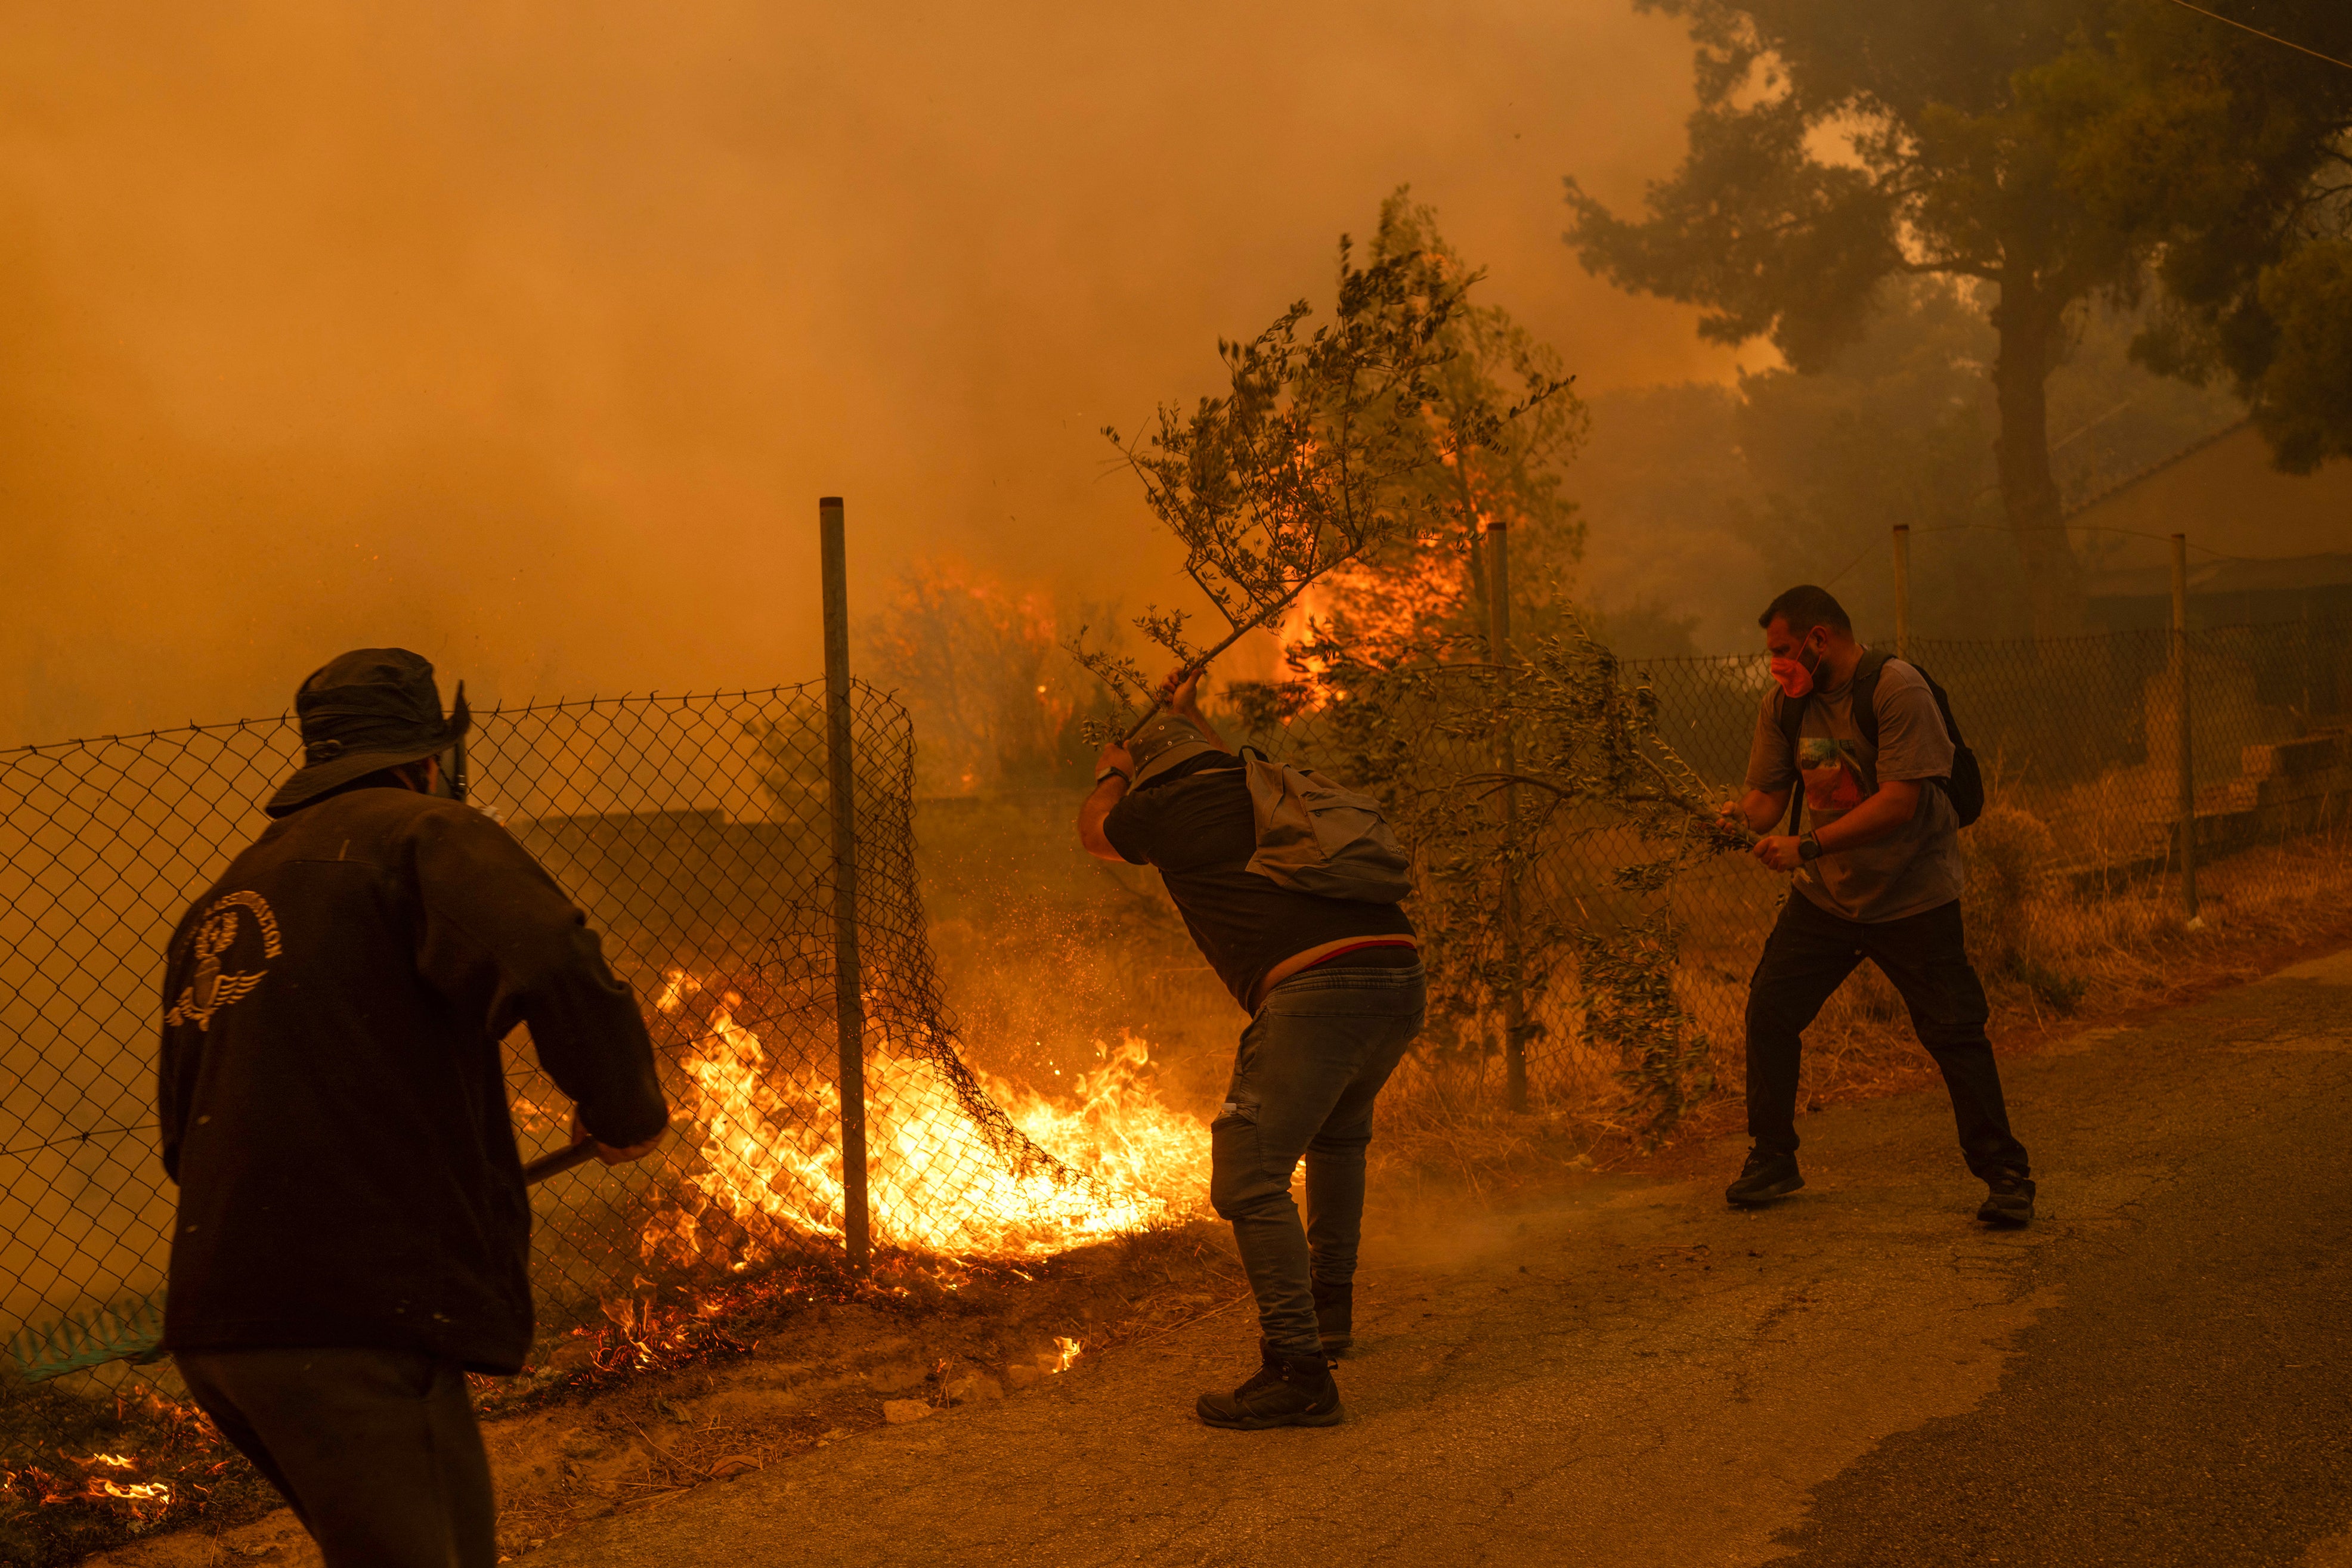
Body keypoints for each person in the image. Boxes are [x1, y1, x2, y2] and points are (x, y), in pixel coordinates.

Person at [157, 648, 670, 1566]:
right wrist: (624, 1109)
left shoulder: (224, 897)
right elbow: (555, 958)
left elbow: (178, 1133)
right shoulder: (424, 834)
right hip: (351, 1326)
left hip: (224, 1325)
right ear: (429, 756)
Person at [1078, 669, 1423, 1430]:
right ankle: (1329, 1315)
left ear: (1152, 776)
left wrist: (1111, 770)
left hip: (1318, 991)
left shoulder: (1160, 806)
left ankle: (1297, 1369)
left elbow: (1096, 834)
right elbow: (1209, 758)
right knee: (1336, 1138)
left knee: (1247, 1170)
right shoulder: (1260, 783)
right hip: (1397, 971)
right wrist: (1189, 715)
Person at [1720, 587, 2033, 1225]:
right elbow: (1765, 799)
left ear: (1818, 639)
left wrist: (1804, 845)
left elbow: (1900, 803)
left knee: (1952, 1033)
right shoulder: (1783, 706)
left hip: (1912, 894)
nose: (1774, 664)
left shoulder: (1896, 690)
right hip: (1827, 898)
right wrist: (1731, 819)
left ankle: (2004, 1174)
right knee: (1770, 1011)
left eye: (1781, 650)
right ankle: (1772, 1156)